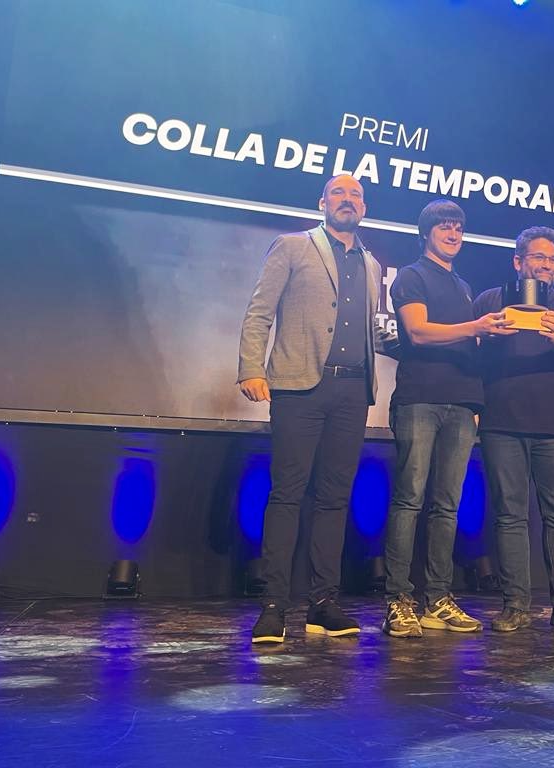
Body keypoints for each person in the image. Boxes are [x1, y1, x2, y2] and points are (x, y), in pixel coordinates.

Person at [238, 174, 388, 644]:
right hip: (299, 385)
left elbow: (373, 331)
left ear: (364, 208)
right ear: (322, 202)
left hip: (352, 391)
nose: (348, 200)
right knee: (287, 494)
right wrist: (250, 367)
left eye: (356, 195)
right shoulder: (292, 246)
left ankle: (324, 603)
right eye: (339, 193)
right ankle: (273, 607)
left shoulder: (372, 262)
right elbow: (260, 311)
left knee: (335, 499)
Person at [381, 200, 515, 638]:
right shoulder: (411, 275)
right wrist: (476, 326)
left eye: (458, 227)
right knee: (409, 500)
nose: (453, 234)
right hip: (420, 401)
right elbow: (417, 331)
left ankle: (436, 598)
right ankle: (398, 599)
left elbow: (470, 348)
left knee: (447, 505)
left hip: (461, 406)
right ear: (426, 233)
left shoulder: (462, 285)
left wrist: (476, 405)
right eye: (444, 227)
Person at [473, 226, 554, 635]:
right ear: (518, 261)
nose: (545, 266)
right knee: (510, 516)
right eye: (537, 258)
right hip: (501, 423)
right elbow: (470, 351)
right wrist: (488, 331)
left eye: (552, 260)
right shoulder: (491, 300)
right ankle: (515, 607)